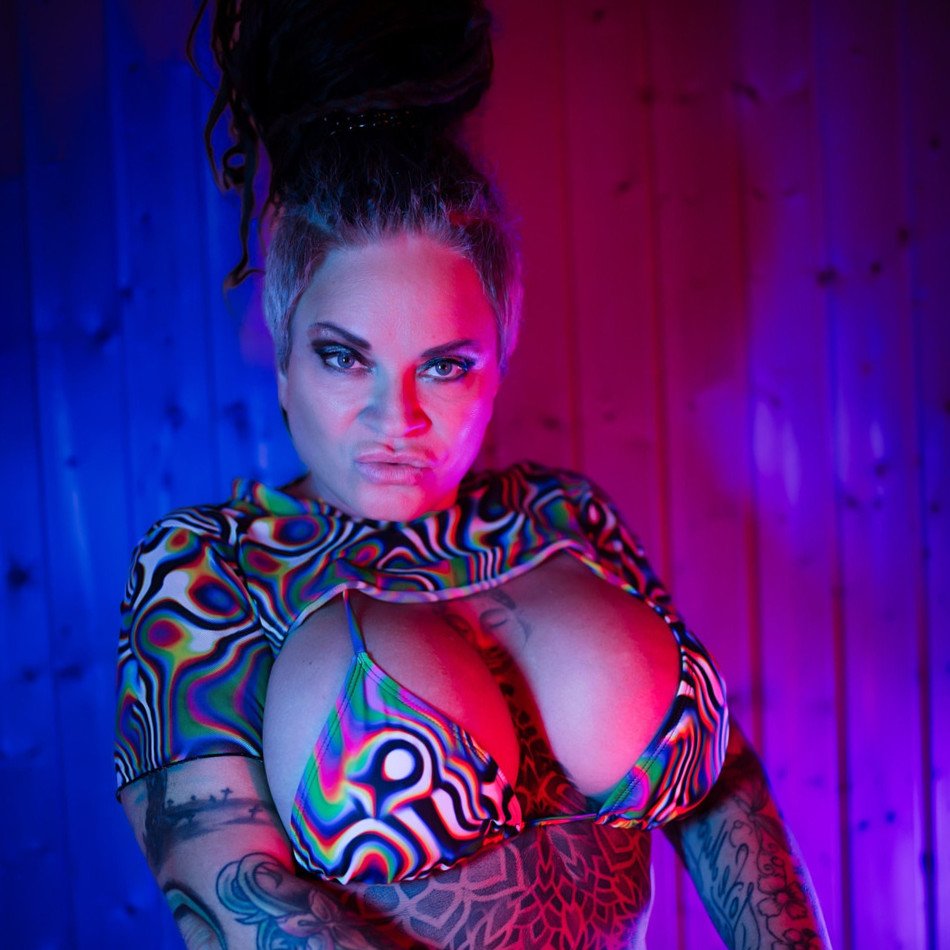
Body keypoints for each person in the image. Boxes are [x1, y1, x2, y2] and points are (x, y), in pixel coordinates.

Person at [115, 2, 830, 947]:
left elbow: (723, 791)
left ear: (500, 357)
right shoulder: (211, 570)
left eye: (446, 366)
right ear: (284, 358)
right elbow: (235, 899)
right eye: (344, 357)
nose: (396, 418)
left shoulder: (565, 517)